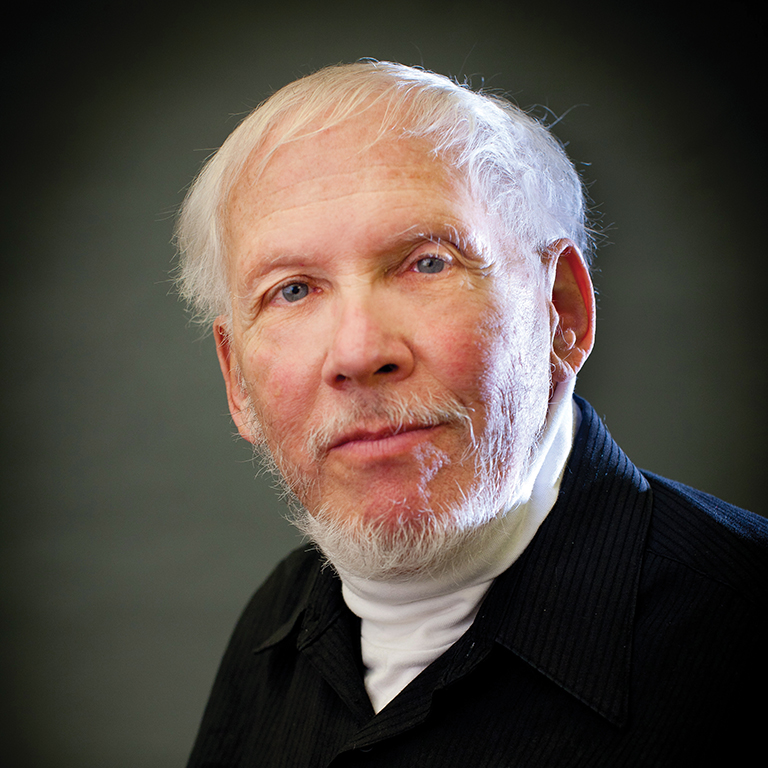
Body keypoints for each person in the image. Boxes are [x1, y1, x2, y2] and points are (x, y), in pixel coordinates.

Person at [175, 61, 767, 767]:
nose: (359, 353)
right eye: (294, 290)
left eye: (428, 263)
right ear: (237, 380)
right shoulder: (272, 627)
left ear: (563, 314)